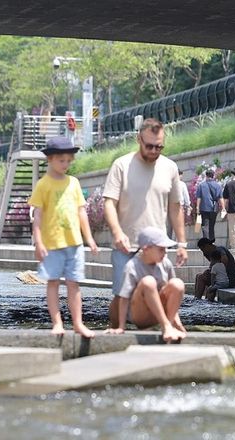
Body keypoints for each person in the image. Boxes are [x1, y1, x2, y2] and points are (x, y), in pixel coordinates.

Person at [103, 118, 188, 330]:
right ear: (138, 139)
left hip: (155, 247)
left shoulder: (170, 167)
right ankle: (116, 329)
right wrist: (117, 233)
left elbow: (175, 207)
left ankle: (166, 326)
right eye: (149, 146)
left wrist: (182, 243)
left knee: (161, 289)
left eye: (159, 147)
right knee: (121, 294)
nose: (153, 151)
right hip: (126, 245)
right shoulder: (122, 165)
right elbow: (109, 203)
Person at [29, 136, 99, 337]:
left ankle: (78, 323)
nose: (66, 164)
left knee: (74, 283)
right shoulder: (43, 184)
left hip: (74, 242)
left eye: (69, 160)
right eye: (61, 160)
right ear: (50, 159)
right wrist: (38, 242)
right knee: (53, 282)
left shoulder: (73, 182)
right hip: (51, 244)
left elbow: (81, 212)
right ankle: (57, 323)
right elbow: (38, 216)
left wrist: (89, 238)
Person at [105, 227, 186, 342]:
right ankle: (166, 325)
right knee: (149, 282)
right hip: (140, 315)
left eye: (165, 249)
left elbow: (173, 296)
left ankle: (169, 324)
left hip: (159, 314)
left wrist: (178, 323)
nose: (165, 253)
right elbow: (124, 298)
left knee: (177, 284)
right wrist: (121, 327)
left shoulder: (166, 264)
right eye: (161, 249)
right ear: (146, 249)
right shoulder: (132, 266)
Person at [195, 169, 223, 242]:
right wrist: (223, 208)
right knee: (212, 225)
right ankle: (211, 241)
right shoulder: (217, 185)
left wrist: (197, 207)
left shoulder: (201, 185)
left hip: (204, 208)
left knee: (205, 225)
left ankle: (207, 241)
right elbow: (220, 198)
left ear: (206, 176)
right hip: (214, 208)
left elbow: (199, 198)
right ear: (213, 176)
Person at [168, 170, 192, 239]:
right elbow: (186, 195)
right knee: (179, 225)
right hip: (179, 206)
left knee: (170, 225)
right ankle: (177, 241)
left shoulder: (169, 183)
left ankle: (169, 240)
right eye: (181, 175)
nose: (182, 177)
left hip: (170, 206)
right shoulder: (182, 184)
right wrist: (188, 205)